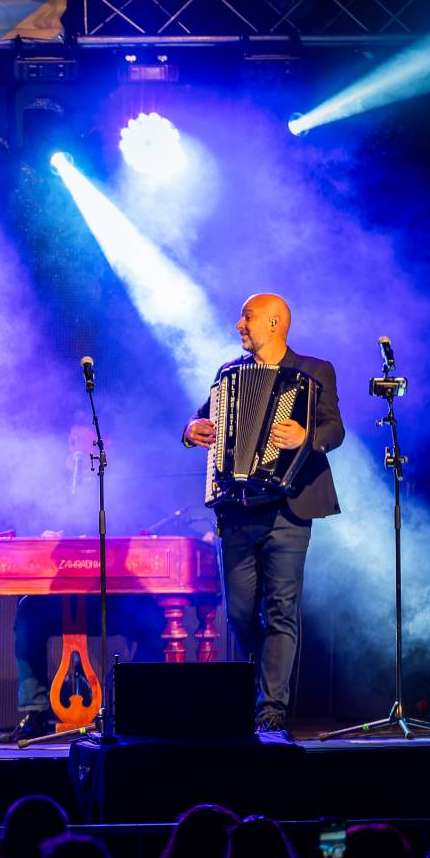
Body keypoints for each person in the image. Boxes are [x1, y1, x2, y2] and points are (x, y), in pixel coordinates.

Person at [183, 293, 343, 737]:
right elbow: (201, 419)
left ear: (274, 323)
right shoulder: (229, 375)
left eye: (247, 317)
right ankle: (259, 690)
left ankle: (271, 709)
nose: (239, 325)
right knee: (238, 612)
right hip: (238, 508)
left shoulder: (314, 370)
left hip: (289, 508)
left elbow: (335, 429)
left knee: (281, 610)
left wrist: (305, 436)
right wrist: (191, 430)